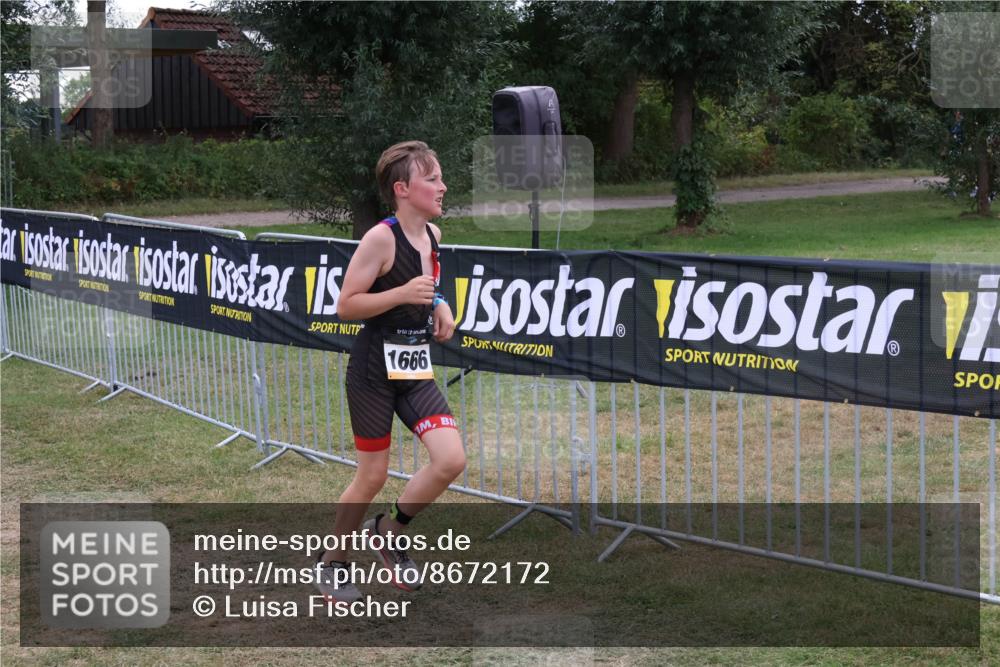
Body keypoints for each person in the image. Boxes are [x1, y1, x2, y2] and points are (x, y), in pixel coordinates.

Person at [314, 141, 465, 603]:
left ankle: (388, 530)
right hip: (373, 373)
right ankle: (332, 562)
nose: (443, 186)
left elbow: (425, 290)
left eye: (440, 177)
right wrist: (401, 294)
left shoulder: (433, 236)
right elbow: (345, 306)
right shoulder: (380, 238)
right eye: (432, 178)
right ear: (402, 189)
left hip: (415, 367)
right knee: (372, 475)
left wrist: (439, 305)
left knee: (450, 460)